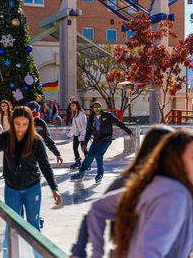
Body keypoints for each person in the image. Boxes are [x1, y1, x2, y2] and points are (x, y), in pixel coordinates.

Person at [77, 129, 193, 258]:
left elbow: (98, 207)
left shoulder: (154, 186)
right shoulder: (172, 195)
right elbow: (146, 252)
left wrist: (95, 254)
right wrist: (81, 252)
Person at [0, 106, 62, 258]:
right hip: (12, 189)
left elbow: (45, 165)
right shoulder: (4, 138)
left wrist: (54, 188)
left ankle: (37, 255)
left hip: (32, 188)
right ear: (12, 122)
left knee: (33, 225)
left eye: (24, 124)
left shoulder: (36, 140)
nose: (20, 128)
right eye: (17, 124)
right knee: (11, 227)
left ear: (30, 124)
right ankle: (8, 256)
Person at [71, 101, 133, 184]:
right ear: (93, 109)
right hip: (96, 140)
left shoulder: (107, 115)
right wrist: (85, 143)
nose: (97, 109)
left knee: (98, 155)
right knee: (89, 155)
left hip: (106, 139)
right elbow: (88, 131)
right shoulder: (91, 118)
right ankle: (81, 172)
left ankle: (100, 174)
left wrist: (128, 131)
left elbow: (118, 122)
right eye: (95, 108)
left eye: (98, 107)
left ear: (101, 108)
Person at [28, 101, 63, 166]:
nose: (33, 118)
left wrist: (57, 154)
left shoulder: (41, 124)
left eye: (34, 116)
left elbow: (47, 140)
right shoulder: (23, 123)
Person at [67, 101, 88, 170]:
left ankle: (88, 163)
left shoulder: (81, 114)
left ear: (77, 106)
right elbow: (74, 127)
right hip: (76, 134)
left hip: (82, 134)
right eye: (71, 106)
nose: (71, 107)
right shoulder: (75, 114)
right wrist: (70, 134)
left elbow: (84, 126)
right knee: (75, 148)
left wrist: (82, 135)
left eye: (73, 105)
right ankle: (78, 162)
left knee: (84, 149)